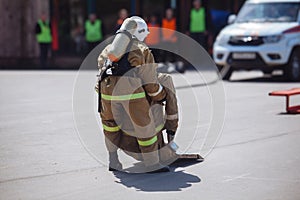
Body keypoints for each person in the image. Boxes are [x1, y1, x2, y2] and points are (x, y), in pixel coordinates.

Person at [96, 16, 179, 173]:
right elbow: (150, 85)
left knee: (110, 126)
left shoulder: (108, 49)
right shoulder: (141, 50)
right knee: (144, 127)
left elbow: (100, 69)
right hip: (130, 92)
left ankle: (113, 160)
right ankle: (152, 163)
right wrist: (161, 95)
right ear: (140, 33)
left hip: (106, 93)